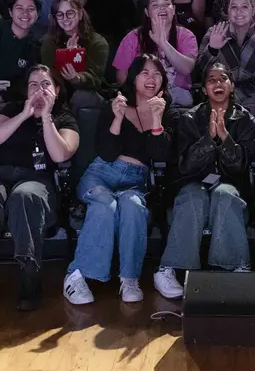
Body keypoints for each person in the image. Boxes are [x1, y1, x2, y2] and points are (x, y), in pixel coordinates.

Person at [0, 65, 80, 310]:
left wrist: (46, 117)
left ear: (57, 90)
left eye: (46, 84)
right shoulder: (12, 110)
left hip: (36, 179)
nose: (40, 89)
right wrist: (24, 115)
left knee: (25, 196)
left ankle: (30, 275)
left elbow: (61, 154)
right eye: (33, 85)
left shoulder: (64, 117)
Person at [63, 54, 173, 304]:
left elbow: (161, 155)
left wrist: (157, 120)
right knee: (105, 205)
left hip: (136, 180)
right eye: (145, 73)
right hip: (102, 173)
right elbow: (107, 152)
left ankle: (129, 278)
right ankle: (76, 275)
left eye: (157, 74)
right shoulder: (115, 104)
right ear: (133, 77)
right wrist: (118, 118)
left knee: (133, 207)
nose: (151, 78)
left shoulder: (167, 110)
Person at [153, 61, 255, 296]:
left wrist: (225, 138)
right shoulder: (189, 119)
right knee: (194, 196)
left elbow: (240, 167)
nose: (218, 83)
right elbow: (185, 166)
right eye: (211, 80)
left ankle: (236, 265)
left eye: (223, 79)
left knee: (224, 194)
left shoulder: (247, 121)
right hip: (194, 181)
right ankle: (168, 268)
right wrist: (208, 140)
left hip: (231, 184)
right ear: (204, 89)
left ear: (232, 86)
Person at [197, 0, 255, 119]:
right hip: (221, 93)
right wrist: (213, 49)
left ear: (253, 10)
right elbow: (200, 72)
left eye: (244, 7)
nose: (239, 12)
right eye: (234, 7)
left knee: (250, 119)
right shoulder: (215, 32)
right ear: (227, 11)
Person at [112, 0, 198, 105]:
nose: (162, 8)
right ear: (147, 12)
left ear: (174, 10)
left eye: (167, 4)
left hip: (177, 95)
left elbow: (186, 68)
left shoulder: (186, 35)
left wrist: (163, 43)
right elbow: (121, 78)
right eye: (155, 5)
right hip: (140, 94)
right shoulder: (132, 38)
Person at [40, 0, 110, 112]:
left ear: (80, 14)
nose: (65, 19)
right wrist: (66, 59)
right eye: (60, 15)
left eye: (70, 13)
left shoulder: (97, 42)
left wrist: (77, 78)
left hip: (89, 93)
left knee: (81, 96)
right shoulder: (48, 42)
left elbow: (96, 80)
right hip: (58, 92)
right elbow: (47, 75)